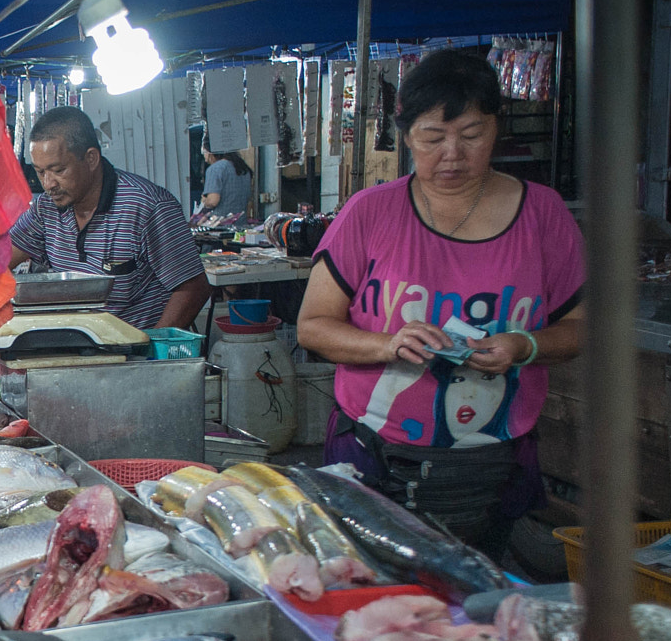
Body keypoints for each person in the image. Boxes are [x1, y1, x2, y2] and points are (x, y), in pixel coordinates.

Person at [296, 48, 586, 561]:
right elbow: (314, 327)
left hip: (495, 463)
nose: (452, 154)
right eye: (432, 138)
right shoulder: (371, 211)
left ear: (497, 128)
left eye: (472, 135)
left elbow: (579, 329)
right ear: (406, 136)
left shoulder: (543, 213)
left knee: (478, 603)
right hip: (375, 455)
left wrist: (526, 344)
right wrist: (389, 343)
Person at [9, 106, 209, 332]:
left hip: (134, 356)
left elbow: (193, 288)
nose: (48, 184)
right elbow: (0, 262)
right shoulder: (46, 209)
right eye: (40, 172)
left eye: (58, 170)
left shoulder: (148, 207)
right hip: (74, 349)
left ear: (91, 159)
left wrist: (150, 349)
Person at [198, 146, 254, 226]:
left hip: (219, 225)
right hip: (240, 224)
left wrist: (204, 201)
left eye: (204, 153)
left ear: (211, 152)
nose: (205, 157)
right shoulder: (243, 168)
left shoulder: (215, 169)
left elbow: (212, 201)